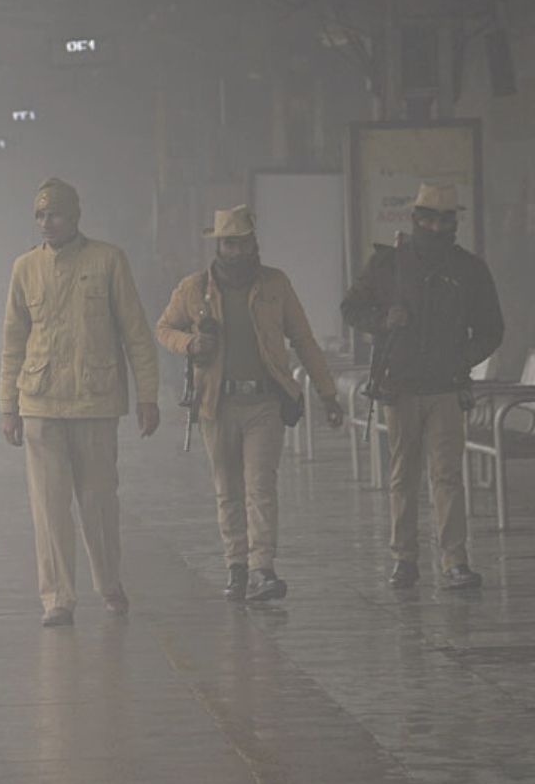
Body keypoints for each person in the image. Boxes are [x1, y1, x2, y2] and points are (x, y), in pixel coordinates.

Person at [155, 206, 345, 603]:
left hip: (264, 402)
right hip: (216, 404)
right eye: (229, 243)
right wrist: (189, 344)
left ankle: (263, 568)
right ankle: (236, 566)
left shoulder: (275, 284)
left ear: (254, 243)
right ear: (218, 246)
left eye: (243, 242)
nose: (237, 251)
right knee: (227, 488)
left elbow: (304, 340)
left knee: (261, 486)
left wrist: (328, 392)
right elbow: (163, 327)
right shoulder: (194, 289)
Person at [0, 178, 160, 626]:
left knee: (99, 501)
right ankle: (57, 599)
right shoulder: (24, 268)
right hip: (40, 403)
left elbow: (136, 333)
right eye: (40, 216)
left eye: (56, 215)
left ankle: (109, 583)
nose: (47, 224)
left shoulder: (108, 261)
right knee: (49, 509)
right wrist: (7, 405)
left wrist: (148, 395)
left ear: (75, 217)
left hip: (95, 402)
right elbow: (13, 340)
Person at [342, 183, 503, 591]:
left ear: (454, 221)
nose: (437, 225)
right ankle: (404, 558)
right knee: (403, 475)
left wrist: (458, 358)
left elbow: (491, 330)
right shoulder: (388, 264)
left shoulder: (468, 269)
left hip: (447, 387)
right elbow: (352, 307)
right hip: (401, 387)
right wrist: (383, 320)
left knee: (447, 475)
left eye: (444, 219)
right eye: (429, 218)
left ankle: (454, 560)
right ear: (415, 219)